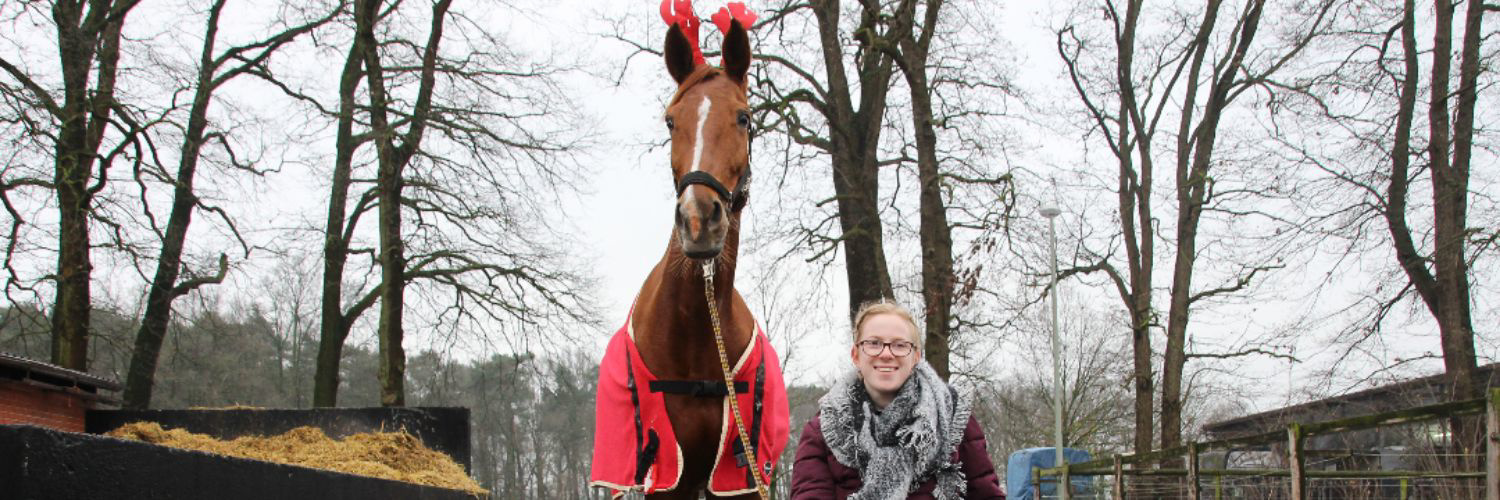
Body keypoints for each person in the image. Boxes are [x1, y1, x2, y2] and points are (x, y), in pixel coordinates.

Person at [790, 301, 1005, 500]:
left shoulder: (954, 418)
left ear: (916, 356)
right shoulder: (823, 431)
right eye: (873, 343)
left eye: (900, 345)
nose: (886, 354)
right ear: (856, 355)